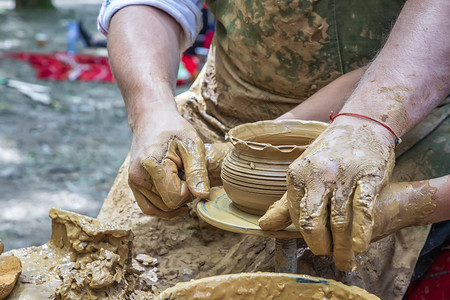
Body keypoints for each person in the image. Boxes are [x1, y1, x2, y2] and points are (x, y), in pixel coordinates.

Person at [98, 0, 449, 298]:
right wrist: (152, 113)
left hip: (395, 118)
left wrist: (365, 126)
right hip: (222, 114)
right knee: (109, 271)